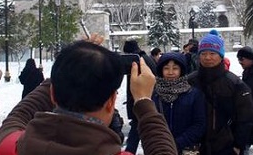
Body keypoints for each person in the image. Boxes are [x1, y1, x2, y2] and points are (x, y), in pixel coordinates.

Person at [15, 40, 177, 155]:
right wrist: (143, 101)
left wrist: (72, 63)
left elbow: (19, 115)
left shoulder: (10, 146)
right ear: (111, 102)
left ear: (52, 93)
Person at [189, 33, 253, 155]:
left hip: (225, 147)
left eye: (212, 53)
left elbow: (245, 118)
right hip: (195, 146)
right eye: (203, 54)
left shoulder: (235, 84)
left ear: (221, 56)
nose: (207, 57)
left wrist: (238, 145)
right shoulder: (190, 81)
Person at [152, 52, 205, 154]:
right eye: (166, 68)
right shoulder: (154, 95)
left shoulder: (193, 94)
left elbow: (199, 124)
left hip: (186, 149)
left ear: (181, 70)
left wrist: (177, 143)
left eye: (175, 68)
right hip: (160, 148)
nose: (170, 72)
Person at [122, 39, 157, 154]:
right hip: (142, 99)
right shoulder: (143, 58)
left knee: (139, 129)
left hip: (141, 100)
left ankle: (131, 151)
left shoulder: (139, 61)